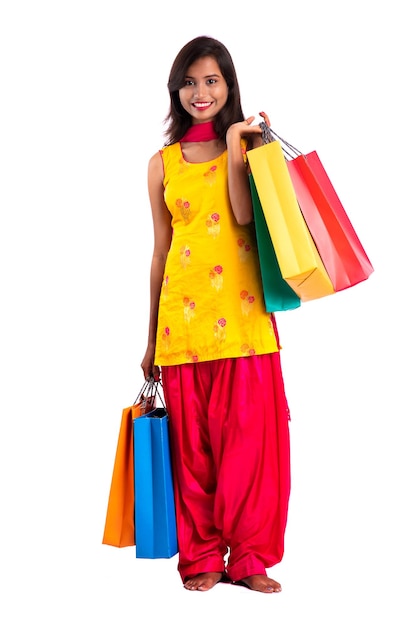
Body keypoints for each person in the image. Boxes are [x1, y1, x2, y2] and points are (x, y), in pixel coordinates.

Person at [141, 35, 291, 594]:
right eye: (189, 81)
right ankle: (202, 555)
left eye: (211, 81)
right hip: (182, 327)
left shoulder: (249, 148)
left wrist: (235, 143)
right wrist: (150, 338)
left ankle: (250, 559)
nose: (200, 92)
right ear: (176, 89)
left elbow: (244, 217)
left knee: (251, 451)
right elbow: (160, 253)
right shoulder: (161, 165)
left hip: (246, 323)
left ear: (228, 86)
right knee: (193, 452)